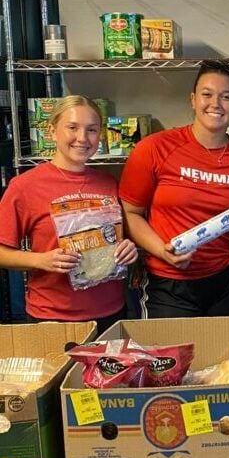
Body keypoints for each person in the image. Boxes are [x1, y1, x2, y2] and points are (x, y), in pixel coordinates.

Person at [119, 60, 229, 318]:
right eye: (207, 94)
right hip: (170, 282)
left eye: (227, 97)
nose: (215, 104)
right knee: (172, 356)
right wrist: (162, 250)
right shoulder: (154, 148)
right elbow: (130, 213)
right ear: (193, 99)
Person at [0, 95, 138, 332]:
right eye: (72, 128)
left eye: (92, 130)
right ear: (52, 131)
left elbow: (122, 238)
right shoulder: (24, 186)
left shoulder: (109, 183)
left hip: (111, 312)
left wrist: (129, 248)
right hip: (52, 316)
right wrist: (41, 260)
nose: (82, 138)